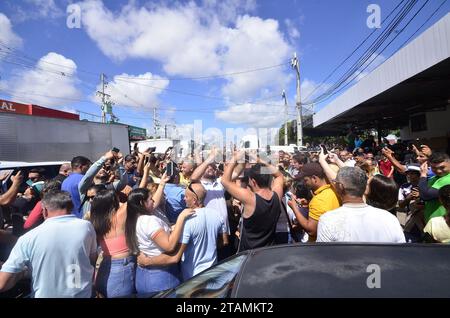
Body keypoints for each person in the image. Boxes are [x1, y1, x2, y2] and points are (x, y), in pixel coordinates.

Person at [0, 190, 97, 297]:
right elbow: (92, 259)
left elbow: (2, 284)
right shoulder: (86, 227)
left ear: (44, 211)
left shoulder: (28, 238)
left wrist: (22, 274)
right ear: (71, 208)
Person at [137, 182, 228, 282]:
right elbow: (224, 241)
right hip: (212, 271)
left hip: (193, 277)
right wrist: (208, 246)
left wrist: (146, 261)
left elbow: (175, 257)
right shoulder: (217, 214)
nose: (184, 199)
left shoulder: (187, 220)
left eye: (186, 196)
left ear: (194, 200)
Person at [126, 179, 195, 294]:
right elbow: (169, 246)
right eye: (150, 199)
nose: (153, 201)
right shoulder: (149, 220)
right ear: (142, 203)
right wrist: (181, 218)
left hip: (143, 276)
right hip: (161, 277)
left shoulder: (133, 219)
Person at [316, 167, 405, 243]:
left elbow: (324, 257)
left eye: (335, 181)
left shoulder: (328, 219)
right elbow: (400, 253)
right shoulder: (390, 218)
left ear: (340, 186)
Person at [221, 151, 283, 252]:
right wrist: (260, 161)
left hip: (250, 254)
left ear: (253, 181)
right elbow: (279, 175)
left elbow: (224, 181)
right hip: (270, 251)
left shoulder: (250, 198)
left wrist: (235, 158)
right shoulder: (277, 195)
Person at [90, 190, 135, 298]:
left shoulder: (95, 220)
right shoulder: (117, 218)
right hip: (122, 266)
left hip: (105, 265)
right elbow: (134, 197)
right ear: (112, 202)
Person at [288, 163, 340, 242]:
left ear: (314, 178)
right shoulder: (335, 191)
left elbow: (312, 231)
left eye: (306, 180)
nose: (305, 183)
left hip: (319, 247)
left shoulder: (319, 200)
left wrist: (294, 207)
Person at [419, 153, 450, 223]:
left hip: (444, 223)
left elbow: (425, 195)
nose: (438, 171)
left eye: (442, 167)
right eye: (434, 168)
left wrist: (423, 175)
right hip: (431, 221)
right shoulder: (433, 178)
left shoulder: (448, 179)